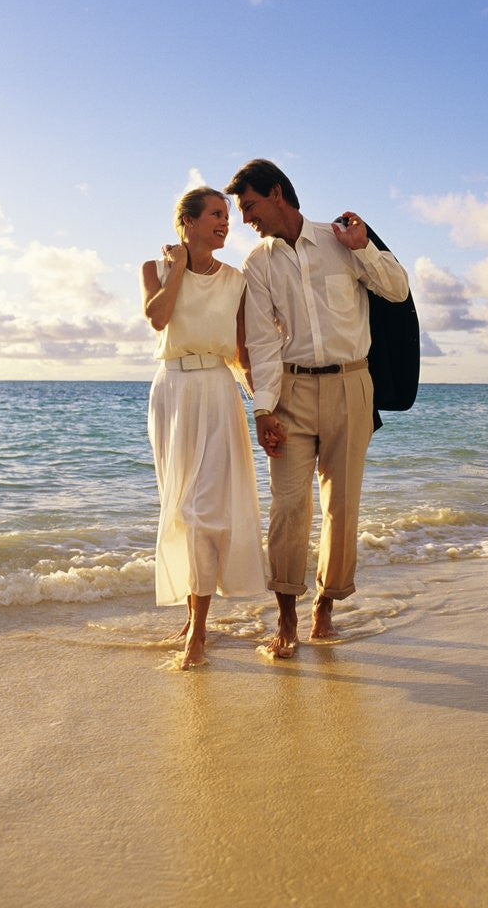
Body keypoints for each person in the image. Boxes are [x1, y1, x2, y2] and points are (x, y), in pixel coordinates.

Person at [225, 160, 409, 658]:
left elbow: (397, 289)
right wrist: (263, 409)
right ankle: (286, 615)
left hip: (352, 385)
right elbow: (262, 342)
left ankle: (326, 605)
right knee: (287, 507)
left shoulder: (340, 239)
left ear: (276, 193)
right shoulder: (257, 264)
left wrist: (363, 247)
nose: (246, 219)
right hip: (292, 391)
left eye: (250, 206)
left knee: (341, 506)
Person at [141, 186, 266, 670]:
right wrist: (176, 269)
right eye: (216, 214)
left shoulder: (236, 281)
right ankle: (192, 616)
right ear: (188, 221)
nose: (225, 222)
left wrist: (265, 408)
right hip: (171, 393)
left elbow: (242, 353)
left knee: (203, 511)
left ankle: (198, 628)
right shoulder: (154, 270)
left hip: (216, 391)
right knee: (179, 507)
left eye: (227, 216)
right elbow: (158, 319)